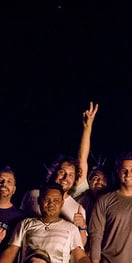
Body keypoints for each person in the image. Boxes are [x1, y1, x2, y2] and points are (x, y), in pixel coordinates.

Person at [19, 102, 98, 243]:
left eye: (71, 175)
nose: (66, 178)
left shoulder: (78, 209)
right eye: (61, 172)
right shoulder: (32, 196)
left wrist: (82, 227)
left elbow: (80, 245)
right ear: (53, 172)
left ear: (75, 180)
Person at [0, 184, 94, 263]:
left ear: (62, 203)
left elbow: (81, 258)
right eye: (47, 199)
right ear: (39, 201)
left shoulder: (71, 229)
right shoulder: (25, 224)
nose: (51, 204)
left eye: (56, 200)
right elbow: (11, 252)